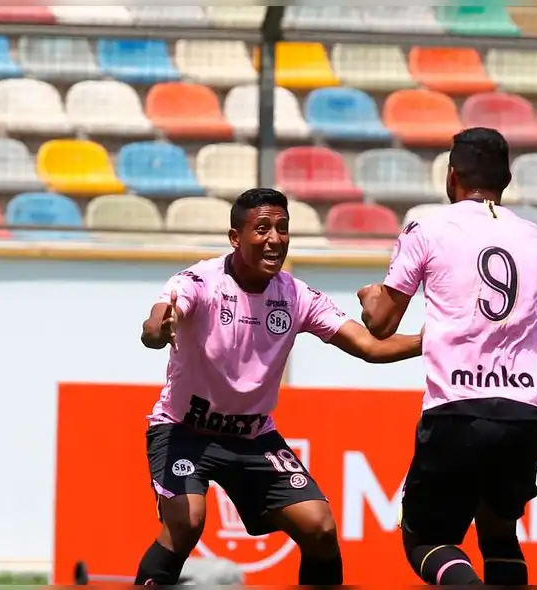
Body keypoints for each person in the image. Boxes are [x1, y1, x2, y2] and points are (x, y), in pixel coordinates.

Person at [135, 187, 423, 586]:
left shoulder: (296, 295)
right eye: (263, 228)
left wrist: (434, 339)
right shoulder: (201, 280)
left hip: (253, 437)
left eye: (283, 229)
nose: (274, 239)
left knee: (319, 528)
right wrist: (155, 329)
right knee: (186, 524)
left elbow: (369, 346)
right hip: (183, 430)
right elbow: (162, 315)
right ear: (236, 237)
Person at [359, 127, 537, 586]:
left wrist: (369, 297)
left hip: (457, 410)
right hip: (524, 415)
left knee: (425, 539)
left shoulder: (426, 229)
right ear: (507, 180)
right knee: (499, 530)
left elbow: (381, 325)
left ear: (451, 177)